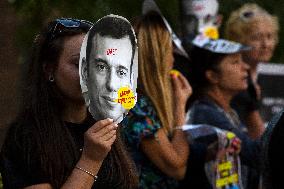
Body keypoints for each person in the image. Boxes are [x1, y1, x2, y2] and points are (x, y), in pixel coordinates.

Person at [0, 18, 138, 189]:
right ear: (49, 69)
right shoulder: (26, 137)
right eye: (78, 63)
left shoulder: (104, 126)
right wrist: (91, 160)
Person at [122, 11, 192, 189]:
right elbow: (176, 167)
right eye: (170, 50)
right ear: (157, 57)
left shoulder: (144, 103)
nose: (174, 59)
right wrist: (180, 105)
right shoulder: (135, 106)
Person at [186, 36, 261, 189]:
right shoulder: (205, 113)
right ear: (212, 76)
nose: (245, 67)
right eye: (235, 62)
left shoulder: (225, 110)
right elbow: (256, 154)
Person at [225, 3, 279, 138]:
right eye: (256, 38)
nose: (265, 44)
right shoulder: (230, 78)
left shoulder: (263, 77)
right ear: (238, 40)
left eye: (269, 36)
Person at [80, 15, 138, 123]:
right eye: (101, 67)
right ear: (84, 70)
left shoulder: (130, 124)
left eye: (121, 72)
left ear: (131, 79)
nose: (111, 85)